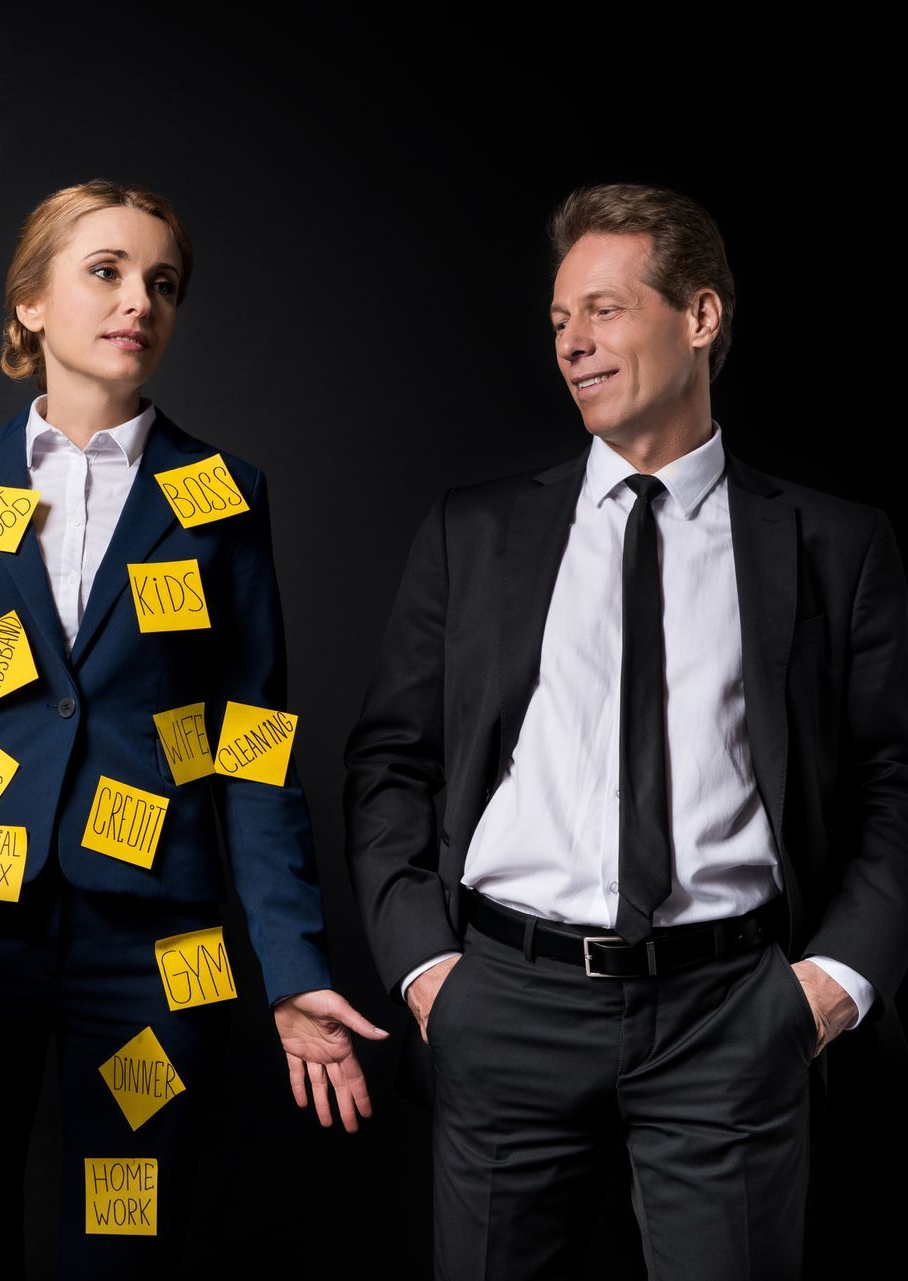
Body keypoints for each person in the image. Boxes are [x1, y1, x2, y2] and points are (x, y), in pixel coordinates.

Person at [342, 181, 907, 1278]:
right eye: (559, 322)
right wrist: (426, 974)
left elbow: (893, 780)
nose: (573, 345)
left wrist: (833, 981)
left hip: (733, 1017)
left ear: (699, 318)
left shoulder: (835, 546)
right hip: (503, 1004)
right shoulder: (478, 533)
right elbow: (390, 763)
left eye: (602, 310)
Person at [0, 180, 386, 1277]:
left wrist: (295, 968)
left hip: (159, 953)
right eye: (105, 271)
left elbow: (255, 746)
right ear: (29, 303)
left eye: (162, 282)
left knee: (125, 1242)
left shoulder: (222, 493)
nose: (139, 302)